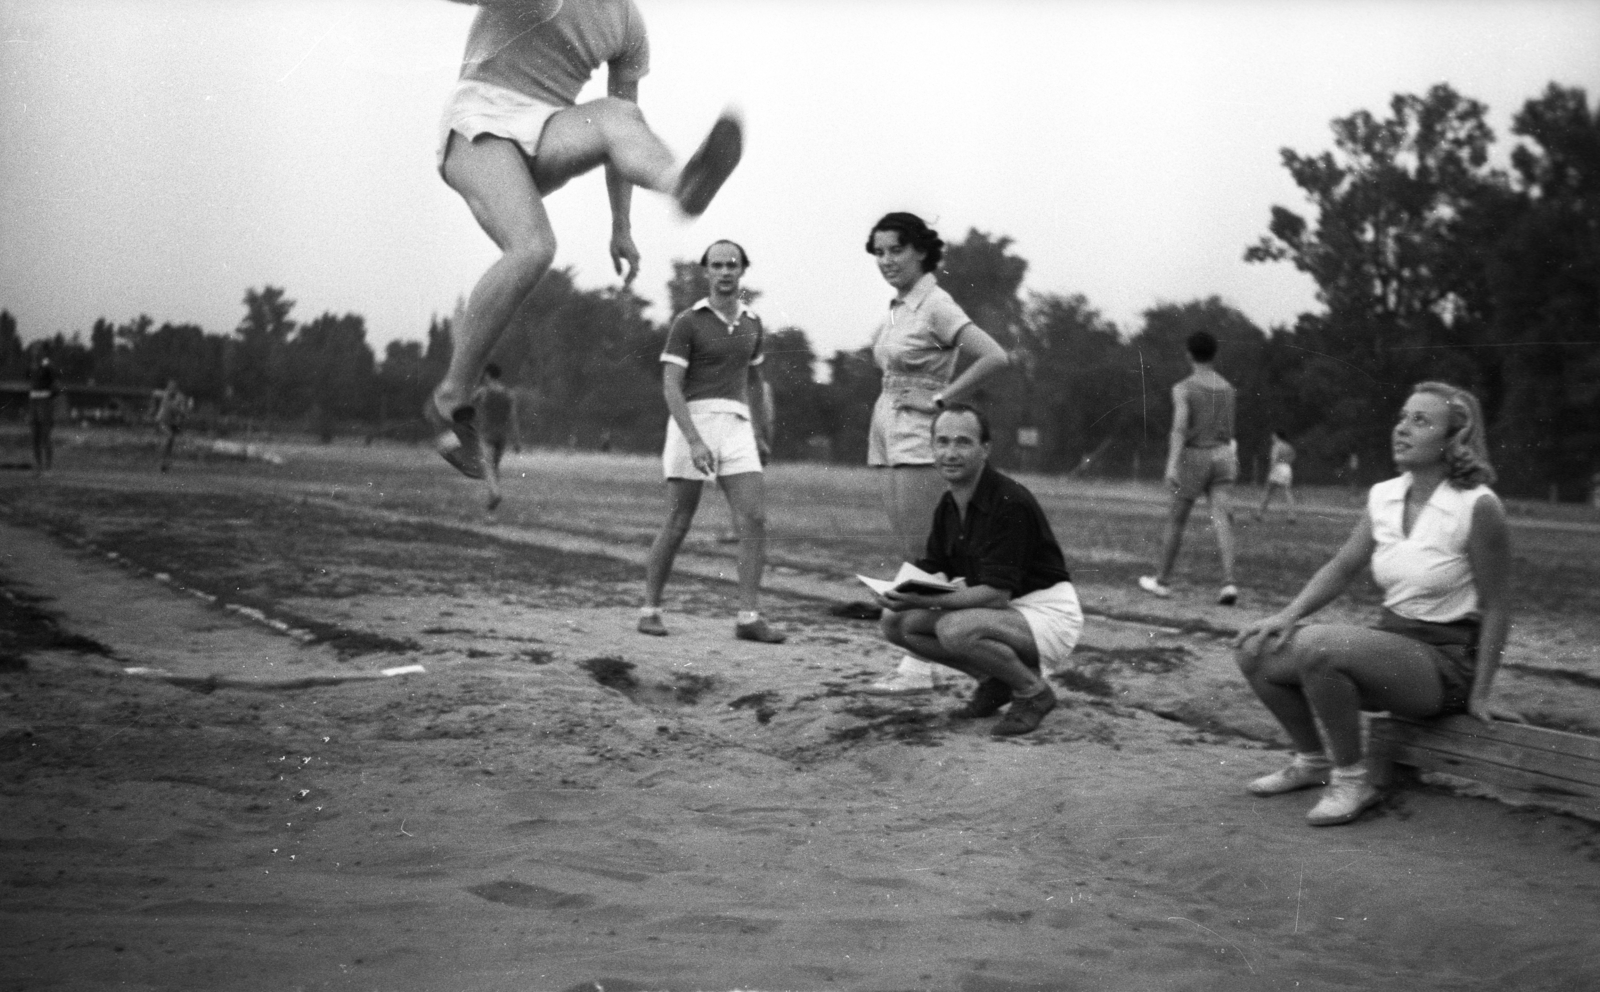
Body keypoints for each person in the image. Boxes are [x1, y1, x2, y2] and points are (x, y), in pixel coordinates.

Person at [427, 0, 745, 480]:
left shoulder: (627, 22)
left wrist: (622, 225)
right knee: (533, 247)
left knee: (619, 112)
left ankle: (683, 186)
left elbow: (623, 135)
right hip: (479, 119)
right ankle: (451, 396)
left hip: (549, 129)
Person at [1232, 382, 1515, 826]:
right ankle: (1312, 761)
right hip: (1393, 648)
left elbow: (1499, 605)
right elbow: (1343, 567)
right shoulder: (1384, 495)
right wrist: (1286, 616)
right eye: (1403, 417)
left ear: (1453, 438)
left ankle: (1352, 780)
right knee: (1253, 649)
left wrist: (1480, 693)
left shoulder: (1478, 506)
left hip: (1445, 664)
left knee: (1322, 649)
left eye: (1421, 421)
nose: (1402, 428)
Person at [861, 212, 1011, 695]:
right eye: (879, 252)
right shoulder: (900, 305)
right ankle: (935, 654)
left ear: (921, 251)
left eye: (895, 250)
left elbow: (994, 355)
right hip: (886, 423)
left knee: (925, 555)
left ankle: (927, 664)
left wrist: (942, 400)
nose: (886, 261)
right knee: (914, 550)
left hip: (919, 429)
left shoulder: (935, 303)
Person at [878, 404, 1082, 736]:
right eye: (942, 442)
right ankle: (994, 681)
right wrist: (895, 593)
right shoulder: (948, 504)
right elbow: (933, 569)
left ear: (984, 449)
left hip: (1047, 613)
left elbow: (996, 594)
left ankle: (1033, 692)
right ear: (931, 448)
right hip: (1005, 611)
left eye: (963, 442)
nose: (950, 453)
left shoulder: (1008, 502)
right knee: (899, 624)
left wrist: (932, 601)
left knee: (954, 629)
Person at [638, 240, 784, 644]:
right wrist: (694, 439)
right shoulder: (689, 321)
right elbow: (671, 384)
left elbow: (755, 381)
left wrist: (760, 432)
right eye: (717, 265)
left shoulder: (753, 323)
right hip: (692, 422)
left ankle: (749, 616)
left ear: (742, 271)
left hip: (736, 425)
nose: (724, 271)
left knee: (753, 519)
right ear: (707, 272)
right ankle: (650, 608)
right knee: (679, 521)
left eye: (731, 265)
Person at [1138, 330, 1239, 605]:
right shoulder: (1228, 388)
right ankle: (1229, 583)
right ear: (1214, 354)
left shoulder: (1184, 388)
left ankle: (1162, 581)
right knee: (1223, 520)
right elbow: (1229, 429)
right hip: (1224, 454)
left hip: (1195, 456)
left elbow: (1180, 429)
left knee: (1177, 519)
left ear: (1188, 354)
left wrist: (1171, 465)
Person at [474, 363, 520, 511]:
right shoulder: (509, 393)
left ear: (487, 375)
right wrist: (516, 440)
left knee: (487, 468)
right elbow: (513, 419)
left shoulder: (483, 392)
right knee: (495, 469)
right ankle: (491, 512)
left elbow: (468, 404)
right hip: (502, 436)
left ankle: (496, 493)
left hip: (486, 434)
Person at [26, 351, 58, 474]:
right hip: (34, 403)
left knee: (45, 437)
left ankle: (48, 467)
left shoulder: (48, 368)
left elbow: (55, 385)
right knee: (35, 437)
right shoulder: (32, 368)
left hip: (44, 404)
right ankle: (39, 466)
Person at [1255, 430, 1297, 523]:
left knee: (1268, 492)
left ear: (1277, 436)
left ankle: (1259, 514)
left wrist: (1270, 471)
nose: (1272, 437)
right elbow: (1293, 456)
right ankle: (1292, 516)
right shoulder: (1288, 446)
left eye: (1273, 436)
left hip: (1277, 468)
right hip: (1287, 468)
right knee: (1287, 493)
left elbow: (1273, 459)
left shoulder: (1276, 445)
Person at [153, 379, 188, 473]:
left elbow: (183, 412)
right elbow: (155, 393)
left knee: (170, 444)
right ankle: (160, 461)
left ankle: (164, 464)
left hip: (173, 423)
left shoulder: (180, 397)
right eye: (169, 387)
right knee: (168, 437)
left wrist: (179, 412)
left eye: (173, 387)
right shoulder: (165, 395)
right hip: (163, 421)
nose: (170, 389)